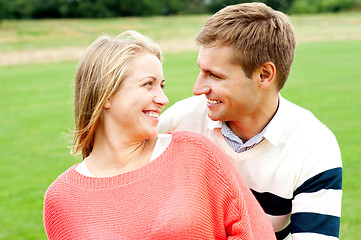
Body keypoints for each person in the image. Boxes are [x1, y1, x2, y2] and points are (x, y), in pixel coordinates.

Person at [43, 30, 276, 239]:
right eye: (148, 84)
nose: (163, 99)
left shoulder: (195, 153)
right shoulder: (61, 198)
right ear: (106, 95)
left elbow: (256, 233)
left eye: (161, 85)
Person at [158, 3, 342, 240]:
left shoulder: (315, 145)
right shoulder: (179, 121)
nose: (197, 88)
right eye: (201, 71)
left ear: (264, 75)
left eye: (215, 75)